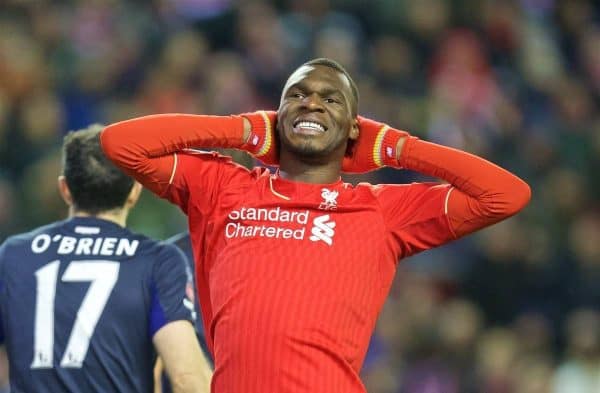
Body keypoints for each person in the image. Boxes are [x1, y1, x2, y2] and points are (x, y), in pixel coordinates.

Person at [100, 58, 531, 392]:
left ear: (352, 130)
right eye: (297, 94)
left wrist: (394, 147)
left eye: (331, 99)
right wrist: (244, 130)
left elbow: (505, 194)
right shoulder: (222, 187)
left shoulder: (379, 210)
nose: (312, 103)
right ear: (277, 113)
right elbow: (120, 143)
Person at [0, 125, 212, 393]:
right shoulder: (157, 262)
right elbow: (188, 378)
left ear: (65, 189)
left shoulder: (15, 255)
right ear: (135, 190)